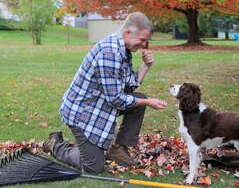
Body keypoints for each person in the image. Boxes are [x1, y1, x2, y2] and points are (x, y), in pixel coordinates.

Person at [43, 12, 168, 174]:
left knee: (140, 100)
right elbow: (116, 100)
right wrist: (148, 102)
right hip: (83, 113)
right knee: (93, 166)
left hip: (100, 105)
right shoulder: (110, 53)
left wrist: (146, 66)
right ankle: (56, 145)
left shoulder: (124, 48)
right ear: (128, 33)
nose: (144, 45)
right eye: (142, 40)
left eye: (146, 41)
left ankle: (117, 149)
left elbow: (128, 87)